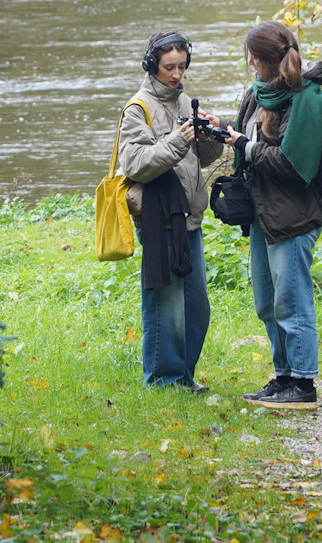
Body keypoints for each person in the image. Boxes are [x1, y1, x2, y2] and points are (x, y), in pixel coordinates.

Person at [223, 21, 322, 410]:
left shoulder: (307, 98)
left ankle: (303, 385)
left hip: (293, 215)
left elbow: (294, 163)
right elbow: (248, 141)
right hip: (262, 213)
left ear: (270, 59)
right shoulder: (258, 94)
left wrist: (245, 146)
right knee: (267, 303)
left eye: (254, 56)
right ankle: (283, 376)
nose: (249, 62)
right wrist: (222, 132)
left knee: (292, 301)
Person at [117, 31, 224, 390]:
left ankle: (185, 377)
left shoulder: (184, 101)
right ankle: (163, 383)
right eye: (169, 67)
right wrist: (179, 140)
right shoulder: (138, 108)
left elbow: (203, 158)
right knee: (166, 307)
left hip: (190, 218)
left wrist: (210, 136)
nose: (177, 75)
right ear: (152, 65)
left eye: (182, 66)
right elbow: (135, 164)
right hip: (159, 217)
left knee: (196, 310)